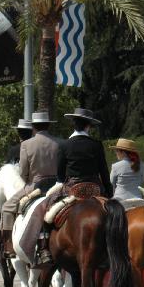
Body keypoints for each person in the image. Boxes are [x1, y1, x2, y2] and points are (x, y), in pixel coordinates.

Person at [31, 108, 111, 267]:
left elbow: (60, 175)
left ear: (74, 125)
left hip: (72, 188)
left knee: (46, 208)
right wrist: (109, 193)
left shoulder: (65, 145)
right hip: (96, 188)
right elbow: (104, 172)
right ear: (89, 126)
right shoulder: (96, 145)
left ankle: (45, 248)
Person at [0, 112, 61, 258]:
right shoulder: (58, 143)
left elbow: (23, 172)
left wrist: (27, 179)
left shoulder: (26, 144)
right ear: (48, 125)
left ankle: (9, 247)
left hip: (35, 185)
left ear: (33, 127)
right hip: (56, 186)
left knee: (7, 207)